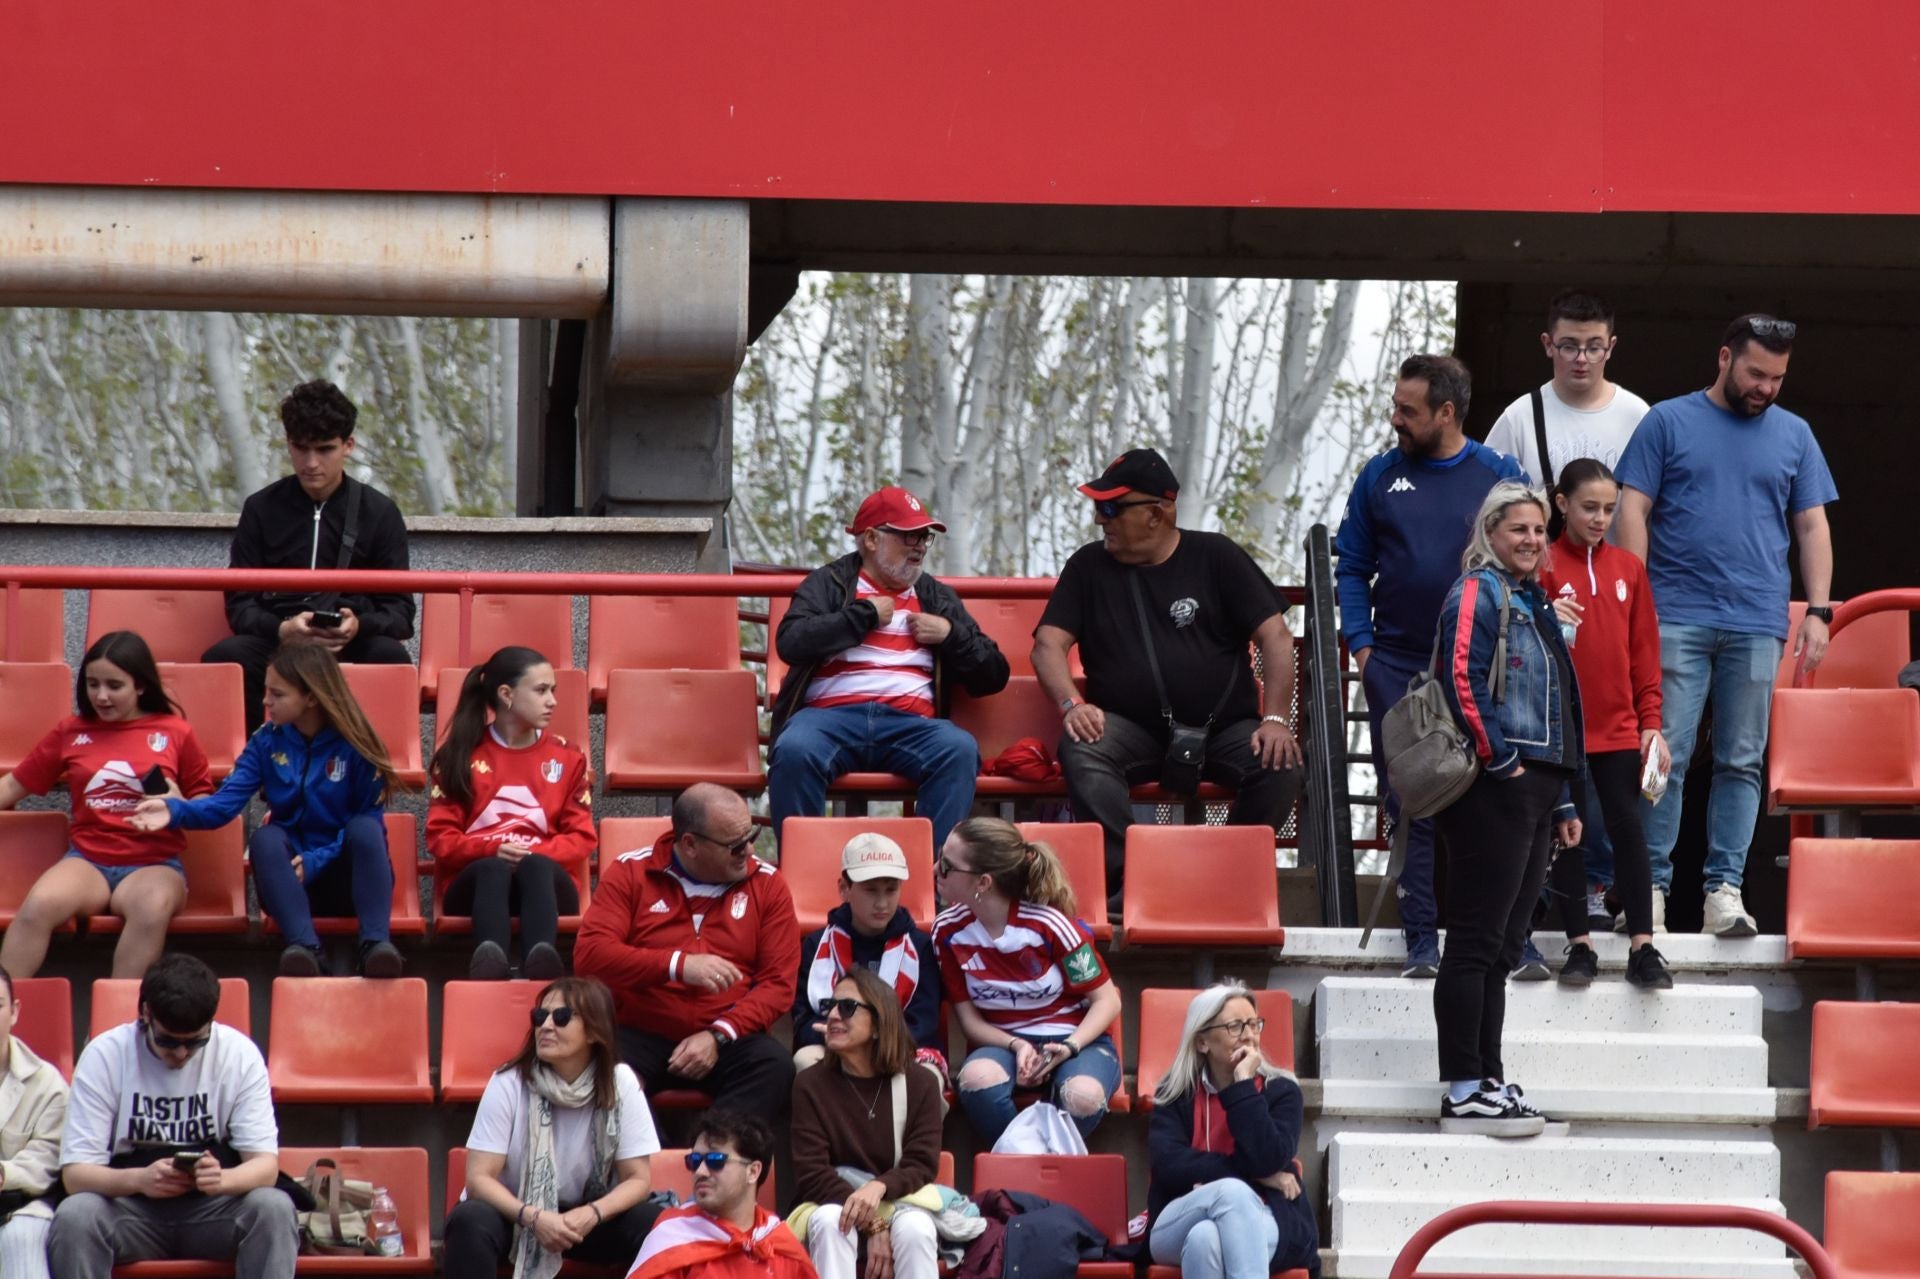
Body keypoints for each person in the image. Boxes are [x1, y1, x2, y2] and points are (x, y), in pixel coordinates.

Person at [1614, 315, 1838, 936]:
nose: (1766, 387)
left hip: (1757, 618)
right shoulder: (1668, 420)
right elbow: (1633, 507)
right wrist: (1637, 598)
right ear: (1723, 358)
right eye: (1756, 372)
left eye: (1778, 377)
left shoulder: (1795, 434)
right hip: (1675, 614)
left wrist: (1819, 609)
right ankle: (1648, 890)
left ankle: (1724, 894)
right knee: (1665, 755)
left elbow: (1812, 525)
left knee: (1743, 761)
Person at [1032, 448, 1304, 901]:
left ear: (1159, 513)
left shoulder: (1216, 555)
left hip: (1225, 729)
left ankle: (1221, 884)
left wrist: (1275, 720)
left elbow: (1276, 638)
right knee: (1084, 748)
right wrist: (1070, 706)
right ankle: (1134, 884)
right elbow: (1047, 645)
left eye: (1112, 507)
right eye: (1098, 507)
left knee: (1281, 763)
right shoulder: (1087, 566)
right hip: (1131, 729)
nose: (1102, 520)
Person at [1335, 355, 1527, 979]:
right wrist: (1363, 649)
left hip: (1481, 668)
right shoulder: (1379, 476)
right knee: (1412, 799)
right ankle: (1421, 941)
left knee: (1496, 802)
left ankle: (1505, 941)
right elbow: (1351, 567)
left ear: (1447, 413)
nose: (1395, 419)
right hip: (1397, 668)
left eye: (1407, 410)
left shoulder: (1499, 475)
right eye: (1396, 406)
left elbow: (1527, 559)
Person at [1431, 483, 1584, 1136]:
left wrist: (1565, 797)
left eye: (1537, 530)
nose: (1530, 540)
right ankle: (1462, 1085)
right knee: (1473, 940)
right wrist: (1502, 762)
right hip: (1496, 786)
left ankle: (1487, 1077)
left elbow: (1560, 708)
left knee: (1500, 946)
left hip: (1538, 788)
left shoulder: (1536, 599)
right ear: (1489, 531)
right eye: (1517, 528)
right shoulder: (1476, 591)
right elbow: (1460, 678)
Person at [130, 644, 405, 978]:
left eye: (277, 694)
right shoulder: (266, 742)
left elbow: (369, 823)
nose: (265, 702)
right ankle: (307, 951)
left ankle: (375, 948)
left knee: (365, 828)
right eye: (265, 691)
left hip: (349, 881)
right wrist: (175, 810)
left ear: (312, 698)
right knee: (266, 837)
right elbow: (223, 806)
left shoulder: (356, 745)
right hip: (291, 883)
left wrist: (318, 859)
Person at [769, 486, 1009, 852]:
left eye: (924, 537)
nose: (918, 547)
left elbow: (994, 674)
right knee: (795, 749)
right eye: (909, 536)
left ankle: (931, 883)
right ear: (870, 539)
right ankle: (806, 873)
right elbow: (791, 641)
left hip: (910, 726)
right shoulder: (829, 583)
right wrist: (861, 617)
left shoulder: (936, 596)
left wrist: (949, 635)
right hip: (829, 720)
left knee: (958, 749)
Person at [49, 953, 297, 1277]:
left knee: (274, 1208)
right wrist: (139, 1179)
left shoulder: (239, 1054)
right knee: (75, 1216)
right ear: (145, 1013)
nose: (180, 1054)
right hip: (132, 1208)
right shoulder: (105, 1054)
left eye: (195, 1042)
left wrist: (223, 1179)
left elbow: (265, 1167)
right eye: (167, 1041)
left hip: (213, 1209)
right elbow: (76, 1176)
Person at [575, 784, 800, 1126]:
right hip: (639, 1030)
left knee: (774, 1065)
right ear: (690, 844)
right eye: (735, 845)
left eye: (751, 835)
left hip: (729, 1035)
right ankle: (647, 1171)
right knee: (602, 1069)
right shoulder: (631, 872)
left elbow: (778, 984)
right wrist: (677, 965)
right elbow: (590, 955)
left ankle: (716, 1161)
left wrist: (719, 1034)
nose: (749, 850)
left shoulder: (768, 884)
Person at [203, 379, 414, 734]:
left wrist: (357, 626)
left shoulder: (380, 512)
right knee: (226, 659)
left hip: (351, 645)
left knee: (389, 659)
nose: (311, 462)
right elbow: (240, 604)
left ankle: (371, 779)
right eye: (300, 448)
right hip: (278, 643)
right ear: (288, 443)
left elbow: (401, 613)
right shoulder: (261, 508)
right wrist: (282, 629)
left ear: (348, 445)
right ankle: (249, 773)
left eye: (324, 449)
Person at [0, 632, 212, 979]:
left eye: (114, 686)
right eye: (92, 684)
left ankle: (113, 1028)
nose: (101, 696)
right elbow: (13, 784)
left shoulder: (175, 732)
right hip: (88, 861)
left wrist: (180, 805)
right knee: (39, 905)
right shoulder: (71, 731)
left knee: (150, 907)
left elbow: (206, 801)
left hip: (155, 863)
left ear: (140, 685)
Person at [1539, 460, 1672, 989]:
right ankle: (1580, 947)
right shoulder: (1542, 564)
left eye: (1610, 509)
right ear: (1561, 503)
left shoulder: (1628, 569)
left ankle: (1643, 947)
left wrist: (1651, 722)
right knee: (1568, 834)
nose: (1600, 519)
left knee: (1628, 830)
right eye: (1590, 507)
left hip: (1619, 728)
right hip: (1563, 730)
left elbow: (1645, 652)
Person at [447, 977, 664, 1279]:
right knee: (470, 1220)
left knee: (655, 1223)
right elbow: (479, 1179)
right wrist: (533, 1217)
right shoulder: (508, 1082)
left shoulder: (620, 1082)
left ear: (593, 1031)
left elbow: (638, 1179)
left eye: (561, 1017)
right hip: (518, 1214)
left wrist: (592, 1214)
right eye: (540, 1016)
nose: (546, 1025)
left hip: (586, 1218)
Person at [932, 817, 1121, 1146]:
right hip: (999, 1043)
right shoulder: (947, 931)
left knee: (1083, 1096)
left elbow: (1107, 1000)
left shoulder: (1051, 926)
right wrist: (1017, 1045)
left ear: (983, 882)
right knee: (977, 1080)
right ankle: (1019, 1166)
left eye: (947, 865)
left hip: (1076, 1041)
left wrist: (1068, 1047)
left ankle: (1043, 1165)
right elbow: (969, 1020)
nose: (935, 869)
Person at [429, 646, 593, 982]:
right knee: (493, 868)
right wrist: (491, 849)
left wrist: (533, 852)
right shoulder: (459, 756)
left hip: (547, 883)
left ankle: (542, 966)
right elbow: (440, 839)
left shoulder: (568, 757)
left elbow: (581, 838)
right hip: (475, 886)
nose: (553, 702)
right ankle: (490, 967)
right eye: (541, 690)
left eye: (554, 691)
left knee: (534, 865)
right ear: (506, 694)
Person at [1147, 983, 1318, 1279]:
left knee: (1205, 1240)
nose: (1250, 1035)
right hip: (1180, 1217)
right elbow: (1169, 1166)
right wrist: (1253, 1177)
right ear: (1202, 1042)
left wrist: (1242, 1085)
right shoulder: (1176, 1093)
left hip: (1270, 1217)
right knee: (1231, 1192)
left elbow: (1268, 1159)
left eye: (1254, 1024)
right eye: (1235, 1026)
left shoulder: (1282, 1091)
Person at [790, 970, 943, 1279]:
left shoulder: (920, 1083)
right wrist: (871, 1221)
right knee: (833, 1221)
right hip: (832, 1202)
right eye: (830, 1005)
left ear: (878, 1023)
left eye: (846, 1007)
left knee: (916, 1228)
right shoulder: (810, 1084)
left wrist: (878, 1187)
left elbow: (922, 1164)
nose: (833, 1015)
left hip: (898, 1201)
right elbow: (812, 1173)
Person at [790, 834, 946, 1092]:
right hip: (836, 1047)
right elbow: (805, 1019)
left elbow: (924, 1022)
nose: (882, 903)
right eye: (870, 890)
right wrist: (852, 1043)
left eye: (891, 889)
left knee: (928, 1076)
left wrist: (873, 1042)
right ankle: (833, 1134)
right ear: (844, 889)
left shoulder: (920, 946)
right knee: (806, 1060)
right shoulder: (817, 945)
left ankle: (909, 1135)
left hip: (901, 1048)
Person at [1484, 290, 1651, 492]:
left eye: (1594, 348)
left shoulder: (1638, 415)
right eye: (1569, 347)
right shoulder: (1519, 417)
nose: (1581, 359)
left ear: (1610, 347)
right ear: (1548, 344)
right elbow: (1488, 502)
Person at [623, 1110, 816, 1279]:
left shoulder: (782, 1245)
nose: (700, 1171)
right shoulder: (669, 1239)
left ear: (753, 1171)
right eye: (695, 1160)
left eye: (716, 1160)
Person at [0, 965, 69, 1279]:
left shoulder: (47, 1083)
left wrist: (4, 1174)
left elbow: (47, 1159)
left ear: (14, 1011)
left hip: (19, 1206)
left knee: (20, 1238)